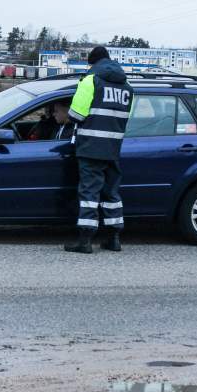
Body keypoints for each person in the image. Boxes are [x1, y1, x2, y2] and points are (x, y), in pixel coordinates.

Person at [64, 46, 133, 254]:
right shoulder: (126, 87)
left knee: (89, 193)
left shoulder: (90, 81)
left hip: (91, 148)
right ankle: (114, 238)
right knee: (111, 193)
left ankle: (85, 240)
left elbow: (75, 115)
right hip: (113, 149)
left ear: (91, 63)